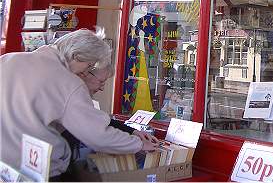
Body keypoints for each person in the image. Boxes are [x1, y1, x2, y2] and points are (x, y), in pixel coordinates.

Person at [0, 29, 158, 180]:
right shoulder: (68, 82)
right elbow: (97, 135)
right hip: (36, 170)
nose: (85, 72)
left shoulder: (7, 60)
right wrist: (138, 144)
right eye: (89, 65)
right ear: (77, 56)